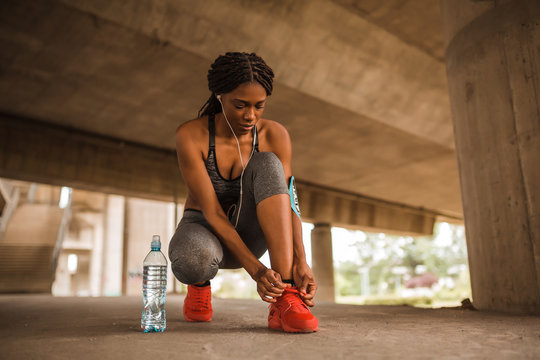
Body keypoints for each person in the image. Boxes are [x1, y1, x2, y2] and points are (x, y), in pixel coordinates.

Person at [169, 52, 318, 333]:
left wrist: (301, 261)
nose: (251, 115)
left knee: (268, 161)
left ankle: (285, 297)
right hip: (205, 230)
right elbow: (211, 211)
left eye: (259, 106)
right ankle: (199, 288)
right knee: (191, 260)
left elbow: (290, 202)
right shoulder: (191, 135)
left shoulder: (275, 135)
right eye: (240, 105)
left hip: (253, 232)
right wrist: (257, 271)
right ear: (219, 95)